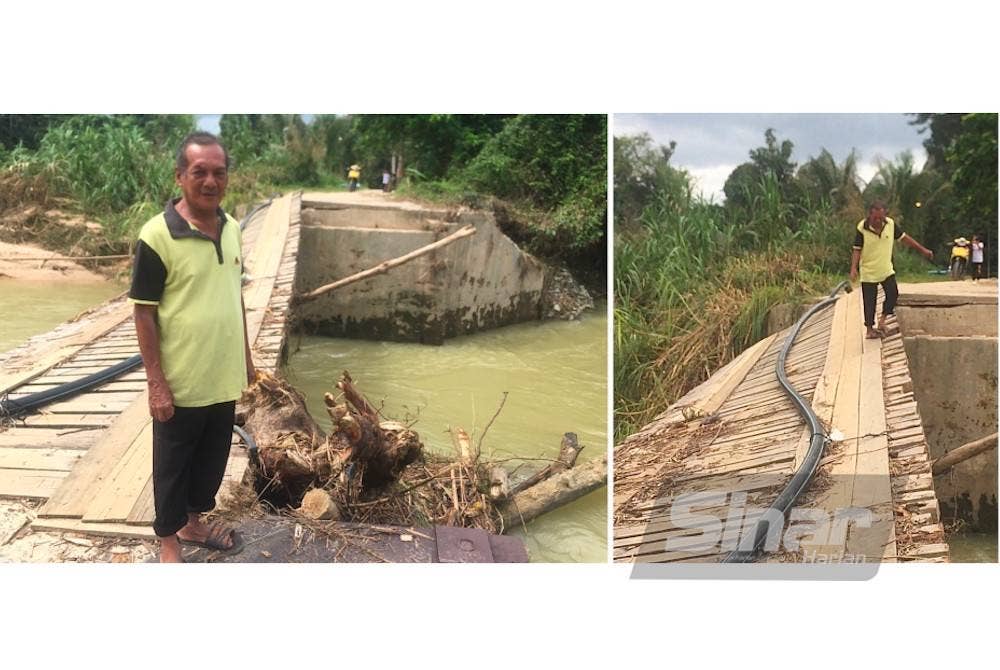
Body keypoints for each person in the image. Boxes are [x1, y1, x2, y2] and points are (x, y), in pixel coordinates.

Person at [129, 132, 256, 563]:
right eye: (199, 172)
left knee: (211, 460)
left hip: (222, 375)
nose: (210, 181)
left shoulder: (233, 228)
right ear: (179, 176)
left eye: (219, 172)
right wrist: (156, 382)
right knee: (172, 464)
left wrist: (246, 360)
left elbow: (234, 295)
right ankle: (169, 540)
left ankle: (193, 521)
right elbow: (143, 313)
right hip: (180, 380)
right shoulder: (156, 236)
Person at [849, 200, 933, 339]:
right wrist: (853, 268)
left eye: (881, 218)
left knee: (893, 294)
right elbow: (857, 249)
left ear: (885, 216)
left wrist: (923, 250)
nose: (878, 221)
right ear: (870, 215)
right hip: (869, 271)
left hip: (886, 269)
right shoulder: (862, 228)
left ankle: (882, 321)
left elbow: (905, 238)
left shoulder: (890, 224)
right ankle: (869, 330)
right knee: (869, 302)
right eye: (875, 218)